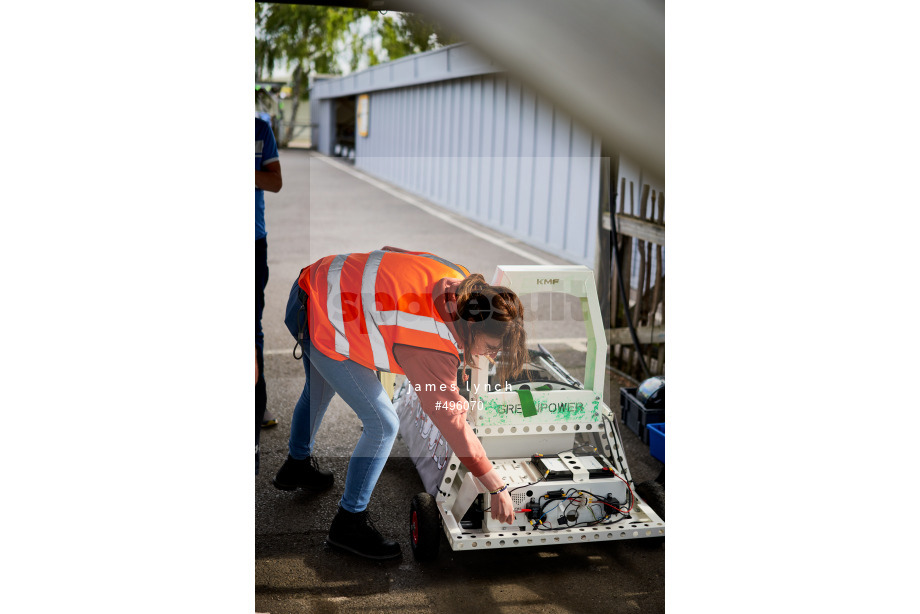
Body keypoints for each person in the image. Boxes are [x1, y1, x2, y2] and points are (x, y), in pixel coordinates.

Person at [273, 246, 528, 559]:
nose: (489, 356)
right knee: (382, 424)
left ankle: (296, 465)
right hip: (321, 314)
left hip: (317, 283)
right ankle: (348, 524)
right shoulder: (431, 343)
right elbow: (452, 421)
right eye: (490, 347)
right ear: (474, 325)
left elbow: (392, 254)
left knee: (319, 391)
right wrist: (496, 486)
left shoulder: (460, 277)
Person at [255, 116, 282, 474]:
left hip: (252, 243)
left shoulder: (260, 130)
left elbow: (275, 182)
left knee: (252, 326)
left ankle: (256, 408)